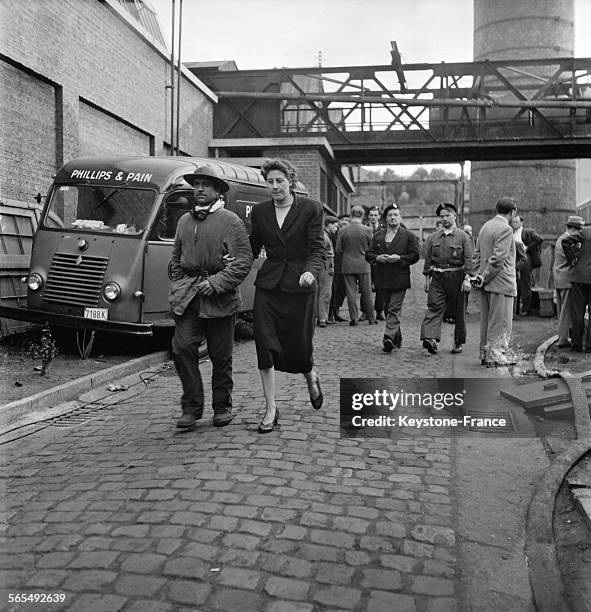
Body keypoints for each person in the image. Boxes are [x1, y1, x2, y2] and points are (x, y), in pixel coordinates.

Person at [169, 165, 253, 429]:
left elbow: (242, 262)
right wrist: (181, 283)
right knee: (182, 348)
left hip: (220, 298)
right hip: (188, 297)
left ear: (217, 191)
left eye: (206, 185)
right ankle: (192, 408)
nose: (200, 189)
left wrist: (216, 282)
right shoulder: (184, 220)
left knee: (220, 354)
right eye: (196, 185)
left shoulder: (230, 221)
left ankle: (222, 407)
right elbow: (175, 260)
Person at [249, 159, 325, 433]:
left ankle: (310, 377)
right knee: (265, 344)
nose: (274, 186)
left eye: (279, 181)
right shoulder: (259, 212)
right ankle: (271, 408)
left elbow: (318, 249)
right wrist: (231, 261)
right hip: (269, 286)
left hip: (300, 286)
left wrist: (310, 272)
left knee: (300, 346)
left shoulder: (311, 209)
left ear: (291, 182)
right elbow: (252, 247)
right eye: (269, 181)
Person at [420, 203, 475, 354]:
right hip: (438, 278)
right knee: (434, 306)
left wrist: (467, 279)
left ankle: (458, 342)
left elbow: (470, 260)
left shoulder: (464, 237)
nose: (444, 219)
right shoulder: (433, 237)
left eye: (447, 215)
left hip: (458, 278)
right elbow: (428, 260)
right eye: (442, 216)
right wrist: (427, 279)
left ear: (455, 216)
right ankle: (430, 338)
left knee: (459, 311)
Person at [365, 204, 419, 352]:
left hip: (400, 278)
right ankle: (397, 338)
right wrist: (378, 258)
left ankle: (387, 337)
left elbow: (415, 255)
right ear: (385, 218)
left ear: (400, 217)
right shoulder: (378, 236)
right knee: (389, 309)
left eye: (396, 214)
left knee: (394, 308)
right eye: (390, 215)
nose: (393, 217)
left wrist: (400, 258)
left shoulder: (408, 236)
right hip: (383, 279)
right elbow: (368, 255)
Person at [473, 197, 518, 366]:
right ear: (513, 212)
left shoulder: (486, 226)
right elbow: (498, 259)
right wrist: (485, 276)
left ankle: (486, 354)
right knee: (501, 321)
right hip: (501, 283)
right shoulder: (505, 229)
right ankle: (496, 355)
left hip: (486, 283)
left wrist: (479, 276)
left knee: (487, 320)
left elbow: (477, 254)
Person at [336, 205, 377, 326]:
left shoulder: (343, 231)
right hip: (364, 264)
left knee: (351, 292)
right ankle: (371, 318)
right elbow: (372, 248)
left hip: (348, 264)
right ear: (363, 215)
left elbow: (338, 250)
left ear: (350, 215)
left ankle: (354, 318)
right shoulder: (368, 230)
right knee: (367, 292)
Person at [554, 216, 584, 347]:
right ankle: (563, 340)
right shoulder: (567, 241)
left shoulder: (560, 238)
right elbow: (573, 258)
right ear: (573, 229)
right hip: (567, 278)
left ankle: (562, 336)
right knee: (566, 312)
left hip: (559, 278)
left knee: (561, 311)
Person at [562, 218, 591, 352]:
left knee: (577, 312)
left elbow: (566, 241)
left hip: (579, 277)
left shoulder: (585, 232)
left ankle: (576, 344)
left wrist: (572, 258)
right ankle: (589, 346)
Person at [511, 215, 543, 316]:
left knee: (525, 283)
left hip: (525, 258)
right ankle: (515, 309)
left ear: (521, 223)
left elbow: (540, 239)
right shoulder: (512, 232)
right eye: (513, 222)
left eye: (516, 222)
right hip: (515, 258)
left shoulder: (527, 231)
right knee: (516, 282)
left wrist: (528, 248)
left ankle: (525, 309)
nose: (514, 224)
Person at [317, 216, 338, 327]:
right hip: (326, 266)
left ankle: (320, 317)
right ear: (328, 224)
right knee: (325, 293)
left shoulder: (324, 235)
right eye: (334, 224)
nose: (336, 227)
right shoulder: (325, 237)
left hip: (325, 265)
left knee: (323, 292)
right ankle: (322, 319)